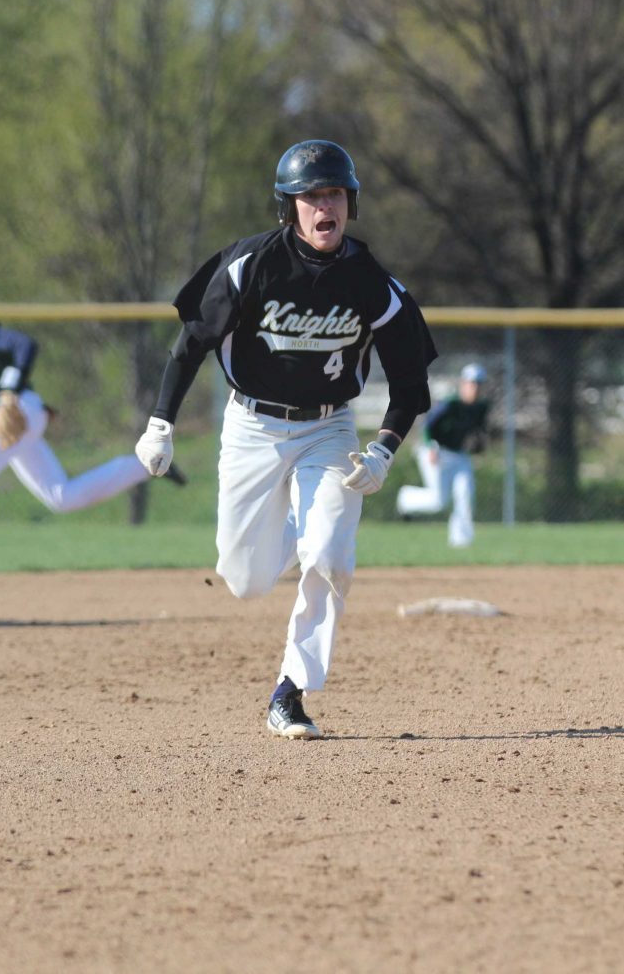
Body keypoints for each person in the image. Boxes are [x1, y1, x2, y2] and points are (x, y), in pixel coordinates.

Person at [134, 139, 437, 739]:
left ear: (349, 202)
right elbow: (193, 341)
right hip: (253, 427)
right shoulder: (252, 265)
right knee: (245, 580)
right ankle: (305, 532)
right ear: (289, 208)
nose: (327, 206)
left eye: (336, 193)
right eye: (312, 195)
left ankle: (290, 692)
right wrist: (160, 421)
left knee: (329, 557)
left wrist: (383, 449)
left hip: (329, 429)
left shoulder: (371, 282)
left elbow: (411, 384)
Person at [0, 278, 185, 581]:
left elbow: (25, 346)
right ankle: (145, 465)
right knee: (61, 497)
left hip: (19, 410)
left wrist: (10, 389)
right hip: (1, 420)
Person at [396, 363, 490, 547]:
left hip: (459, 455)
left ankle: (461, 542)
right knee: (438, 501)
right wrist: (431, 446)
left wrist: (480, 445)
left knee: (465, 494)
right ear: (463, 384)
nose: (475, 388)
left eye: (479, 384)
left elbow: (479, 431)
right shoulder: (450, 403)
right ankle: (405, 498)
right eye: (471, 383)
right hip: (436, 451)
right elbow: (427, 425)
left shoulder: (481, 407)